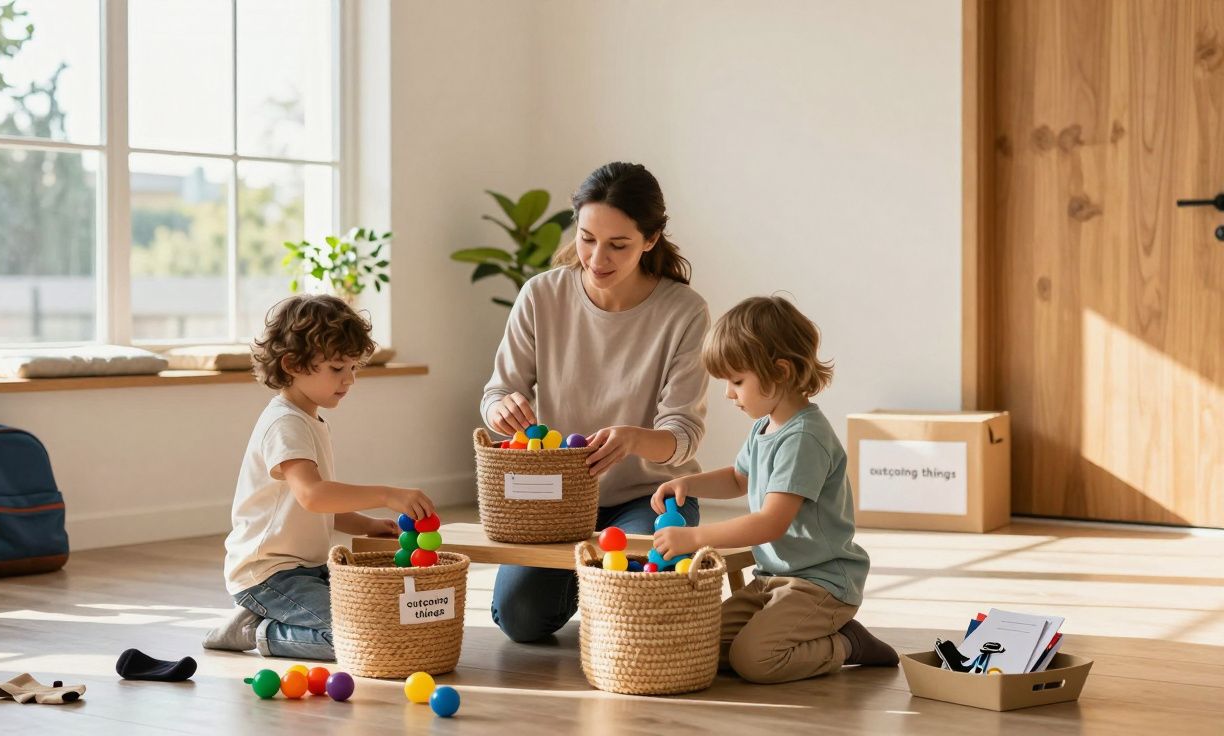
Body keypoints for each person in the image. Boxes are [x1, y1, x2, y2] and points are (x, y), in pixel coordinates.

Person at [481, 162, 710, 642]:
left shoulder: (684, 312)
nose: (597, 257)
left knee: (636, 619)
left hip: (647, 498)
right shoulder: (541, 295)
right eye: (587, 238)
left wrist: (632, 440)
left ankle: (604, 587)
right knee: (519, 619)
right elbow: (498, 392)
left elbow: (683, 437)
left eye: (618, 245)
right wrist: (502, 408)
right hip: (556, 502)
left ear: (650, 240)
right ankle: (593, 582)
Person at [651, 295, 898, 682]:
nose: (728, 393)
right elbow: (738, 478)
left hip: (820, 584)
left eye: (737, 381)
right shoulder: (765, 427)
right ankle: (799, 635)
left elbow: (770, 523)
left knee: (755, 661)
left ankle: (847, 643)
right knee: (700, 646)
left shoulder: (804, 438)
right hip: (770, 579)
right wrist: (687, 482)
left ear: (780, 372)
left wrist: (695, 537)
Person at [204, 294, 436, 660]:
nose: (350, 380)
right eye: (337, 368)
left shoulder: (308, 419)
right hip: (267, 574)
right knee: (364, 637)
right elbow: (314, 495)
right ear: (293, 364)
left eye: (354, 368)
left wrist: (367, 524)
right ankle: (256, 630)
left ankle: (265, 621)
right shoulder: (285, 423)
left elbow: (314, 506)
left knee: (378, 616)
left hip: (305, 569)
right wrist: (388, 495)